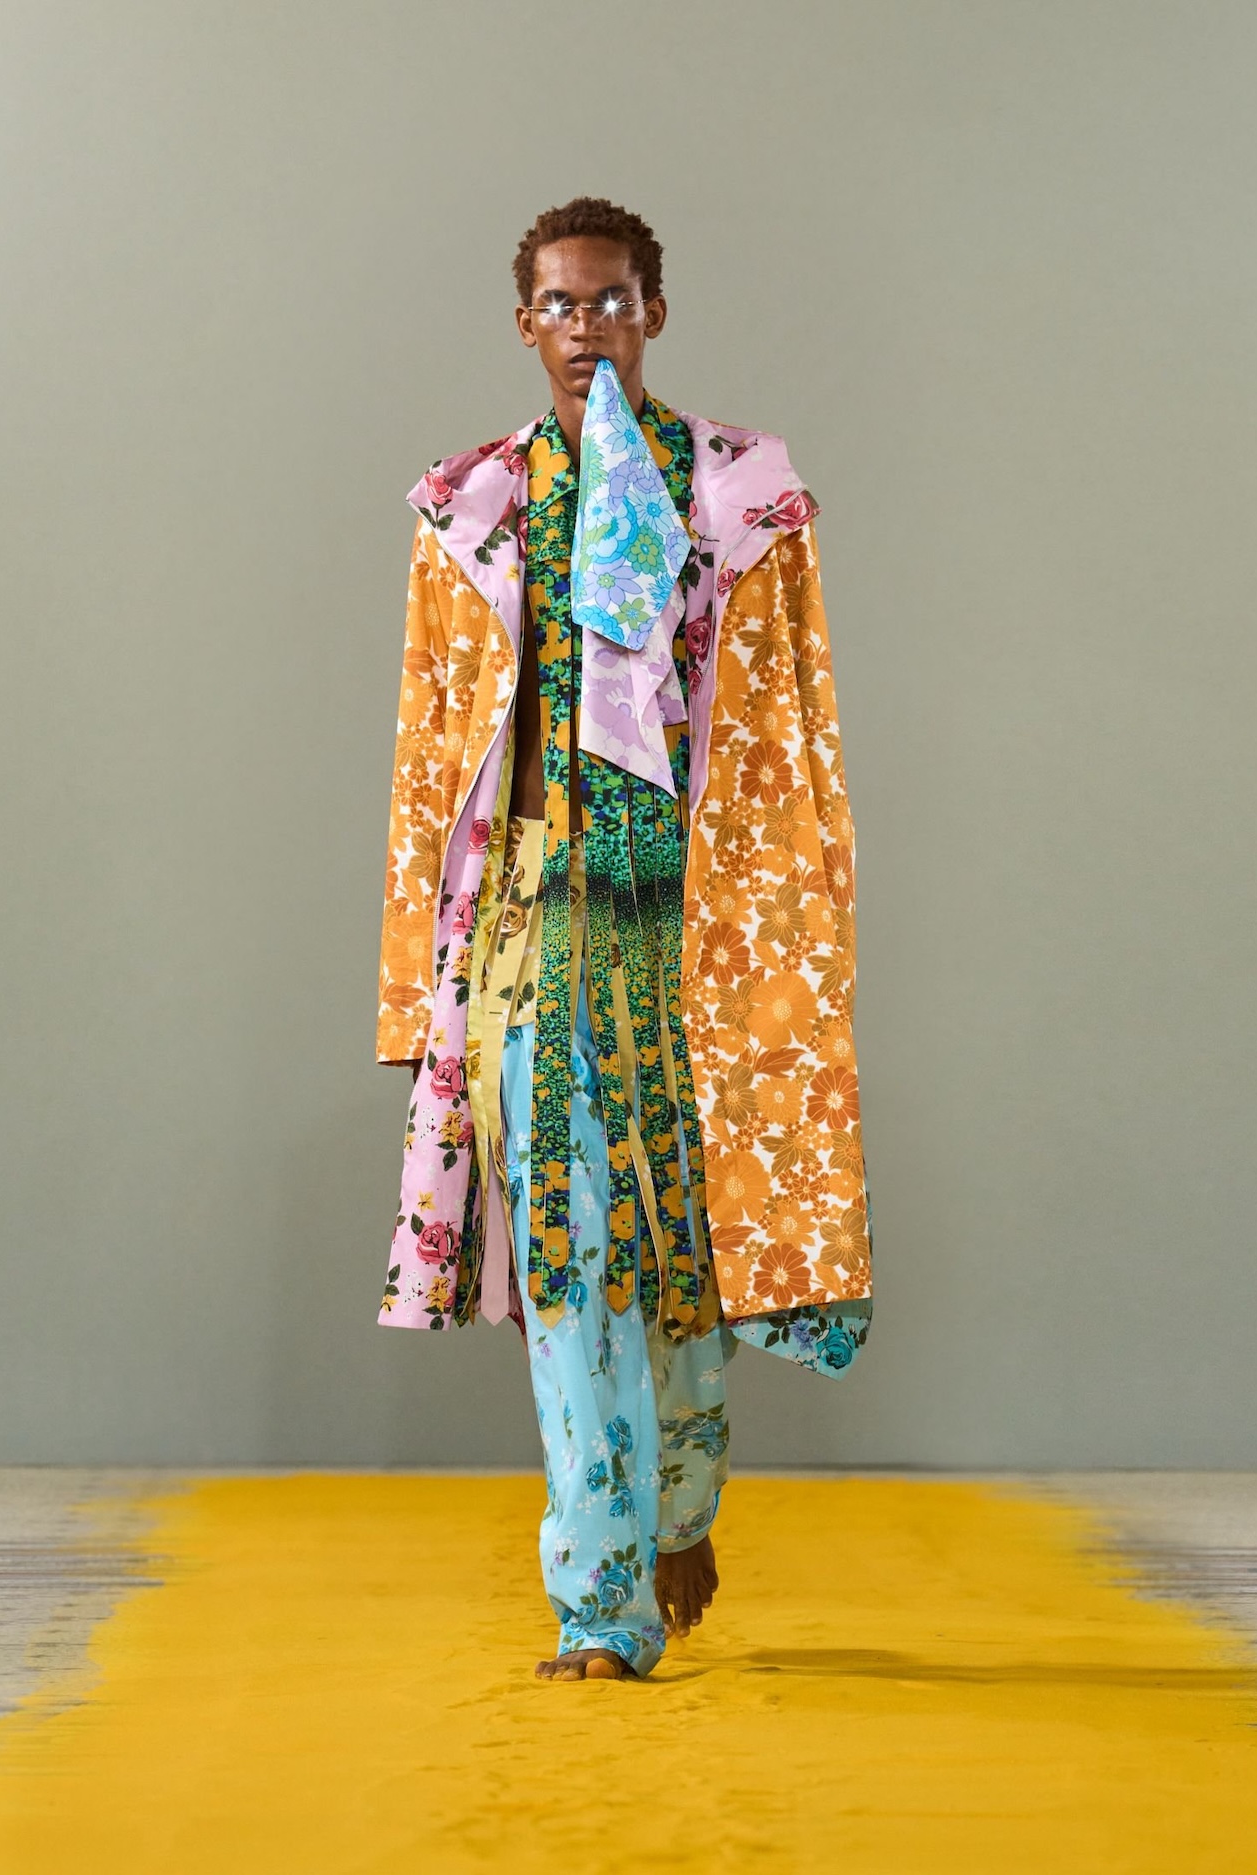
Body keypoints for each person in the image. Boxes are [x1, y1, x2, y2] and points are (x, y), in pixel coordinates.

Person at [376, 196, 873, 1681]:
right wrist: (416, 979)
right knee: (567, 1250)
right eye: (558, 302)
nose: (585, 324)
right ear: (523, 323)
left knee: (683, 1251)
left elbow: (786, 732)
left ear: (654, 308)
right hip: (534, 910)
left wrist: (787, 921)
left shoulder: (738, 498)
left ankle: (679, 1511)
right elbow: (430, 751)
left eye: (610, 299)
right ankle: (597, 1603)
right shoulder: (470, 509)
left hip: (686, 918)